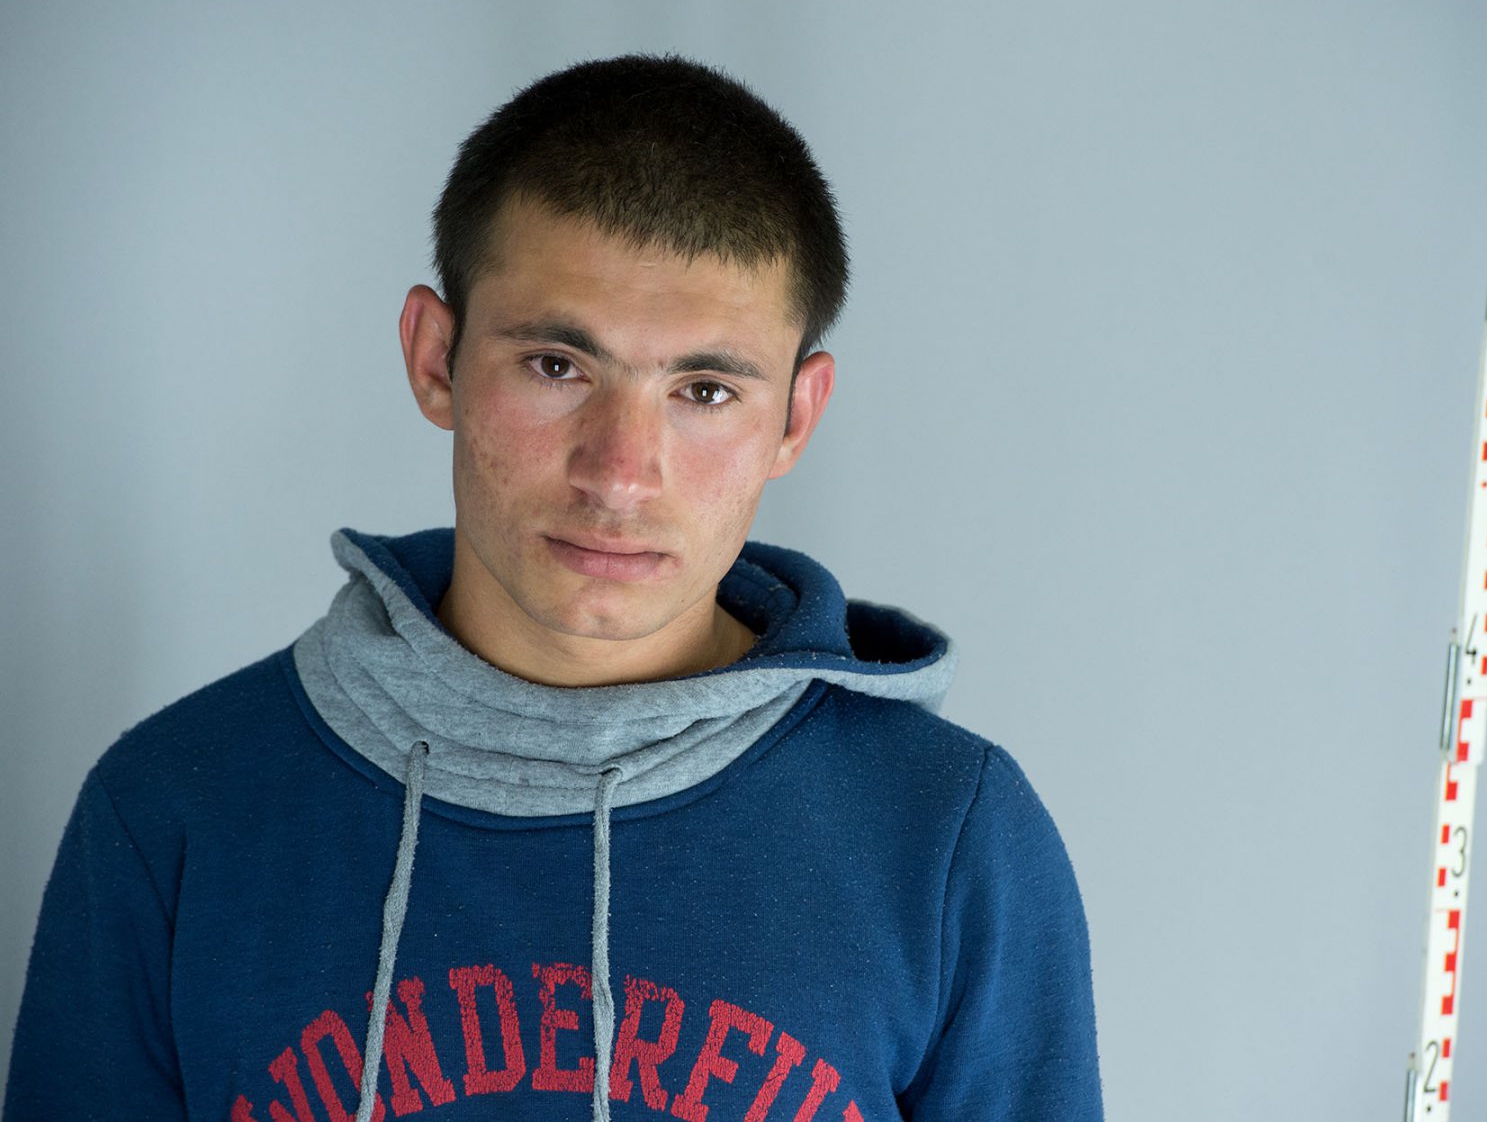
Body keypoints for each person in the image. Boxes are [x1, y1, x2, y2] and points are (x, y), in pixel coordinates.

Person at [4, 55, 1102, 1122]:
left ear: (795, 419)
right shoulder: (177, 809)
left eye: (705, 389)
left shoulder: (947, 837)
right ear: (435, 358)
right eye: (556, 367)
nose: (620, 472)